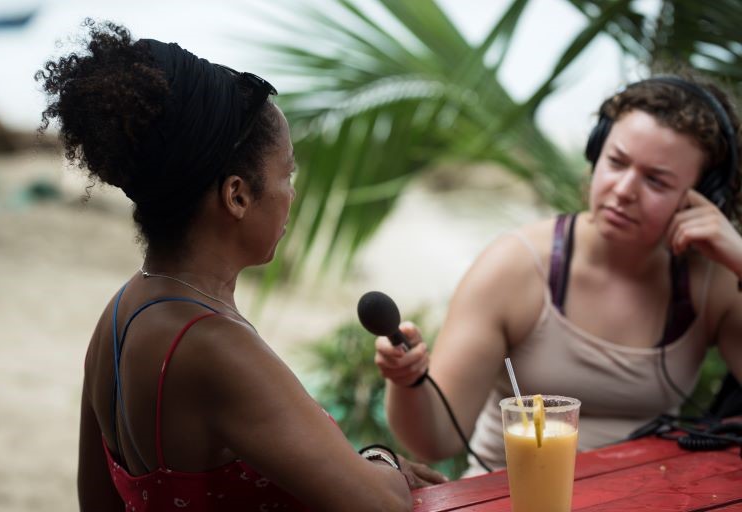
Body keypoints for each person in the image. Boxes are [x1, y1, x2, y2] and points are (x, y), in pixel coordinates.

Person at [36, 20, 446, 511]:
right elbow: (385, 506)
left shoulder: (121, 313)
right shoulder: (211, 345)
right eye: (286, 173)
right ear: (237, 195)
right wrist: (382, 461)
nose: (291, 193)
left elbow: (97, 502)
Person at [374, 72, 742, 475]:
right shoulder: (515, 266)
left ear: (705, 196)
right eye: (616, 162)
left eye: (655, 180)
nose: (623, 190)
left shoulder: (712, 281)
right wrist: (407, 380)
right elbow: (435, 439)